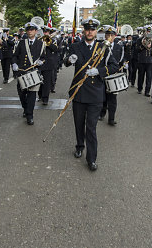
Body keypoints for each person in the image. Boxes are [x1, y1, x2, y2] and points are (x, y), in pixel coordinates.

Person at [64, 19, 118, 171]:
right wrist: (69, 59)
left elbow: (114, 66)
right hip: (79, 92)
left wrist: (99, 71)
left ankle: (91, 158)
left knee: (91, 127)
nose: (89, 32)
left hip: (95, 94)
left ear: (96, 32)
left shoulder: (103, 47)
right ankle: (80, 146)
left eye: (92, 30)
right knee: (79, 123)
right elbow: (65, 62)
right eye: (87, 29)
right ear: (83, 31)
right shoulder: (75, 46)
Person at [12, 22, 46, 125]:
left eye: (32, 30)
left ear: (36, 31)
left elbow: (43, 57)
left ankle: (29, 115)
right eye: (28, 30)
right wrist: (14, 64)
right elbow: (15, 55)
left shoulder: (41, 44)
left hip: (33, 73)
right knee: (22, 94)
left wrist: (41, 62)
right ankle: (25, 108)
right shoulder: (22, 43)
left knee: (31, 95)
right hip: (22, 72)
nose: (30, 31)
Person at [99, 26, 125, 126]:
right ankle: (102, 113)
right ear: (105, 36)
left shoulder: (119, 47)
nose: (110, 37)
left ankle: (111, 118)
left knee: (113, 98)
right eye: (108, 35)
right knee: (103, 96)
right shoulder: (101, 46)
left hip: (114, 74)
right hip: (103, 74)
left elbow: (121, 58)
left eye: (112, 35)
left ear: (115, 36)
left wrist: (120, 67)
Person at [37, 27, 58, 105]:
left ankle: (45, 98)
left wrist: (47, 43)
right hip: (39, 63)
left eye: (46, 32)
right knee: (39, 81)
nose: (45, 33)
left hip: (48, 64)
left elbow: (56, 49)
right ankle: (40, 95)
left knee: (47, 82)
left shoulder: (53, 40)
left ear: (49, 32)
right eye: (44, 32)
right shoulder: (38, 39)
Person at [136, 26, 152, 96]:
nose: (147, 32)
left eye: (149, 31)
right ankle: (140, 88)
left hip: (150, 60)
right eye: (146, 31)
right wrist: (143, 45)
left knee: (149, 77)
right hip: (142, 60)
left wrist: (150, 46)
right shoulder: (139, 39)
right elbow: (137, 50)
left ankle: (147, 91)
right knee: (141, 75)